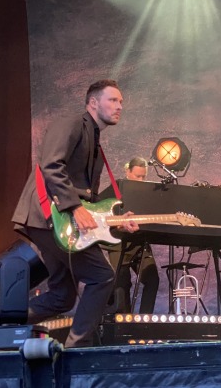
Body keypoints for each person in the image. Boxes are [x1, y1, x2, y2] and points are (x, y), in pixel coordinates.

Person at [11, 79, 139, 347]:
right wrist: (74, 207)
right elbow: (51, 165)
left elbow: (89, 201)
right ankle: (76, 349)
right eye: (113, 100)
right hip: (48, 216)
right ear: (93, 102)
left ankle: (3, 321)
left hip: (57, 220)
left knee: (62, 297)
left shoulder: (95, 141)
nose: (119, 106)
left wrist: (113, 221)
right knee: (102, 276)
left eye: (121, 102)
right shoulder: (70, 123)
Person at [106, 157, 160, 314]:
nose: (141, 180)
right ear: (127, 172)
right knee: (122, 285)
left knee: (152, 280)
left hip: (140, 243)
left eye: (144, 176)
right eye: (137, 176)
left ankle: (145, 319)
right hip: (118, 244)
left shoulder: (147, 194)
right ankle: (125, 321)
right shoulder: (115, 191)